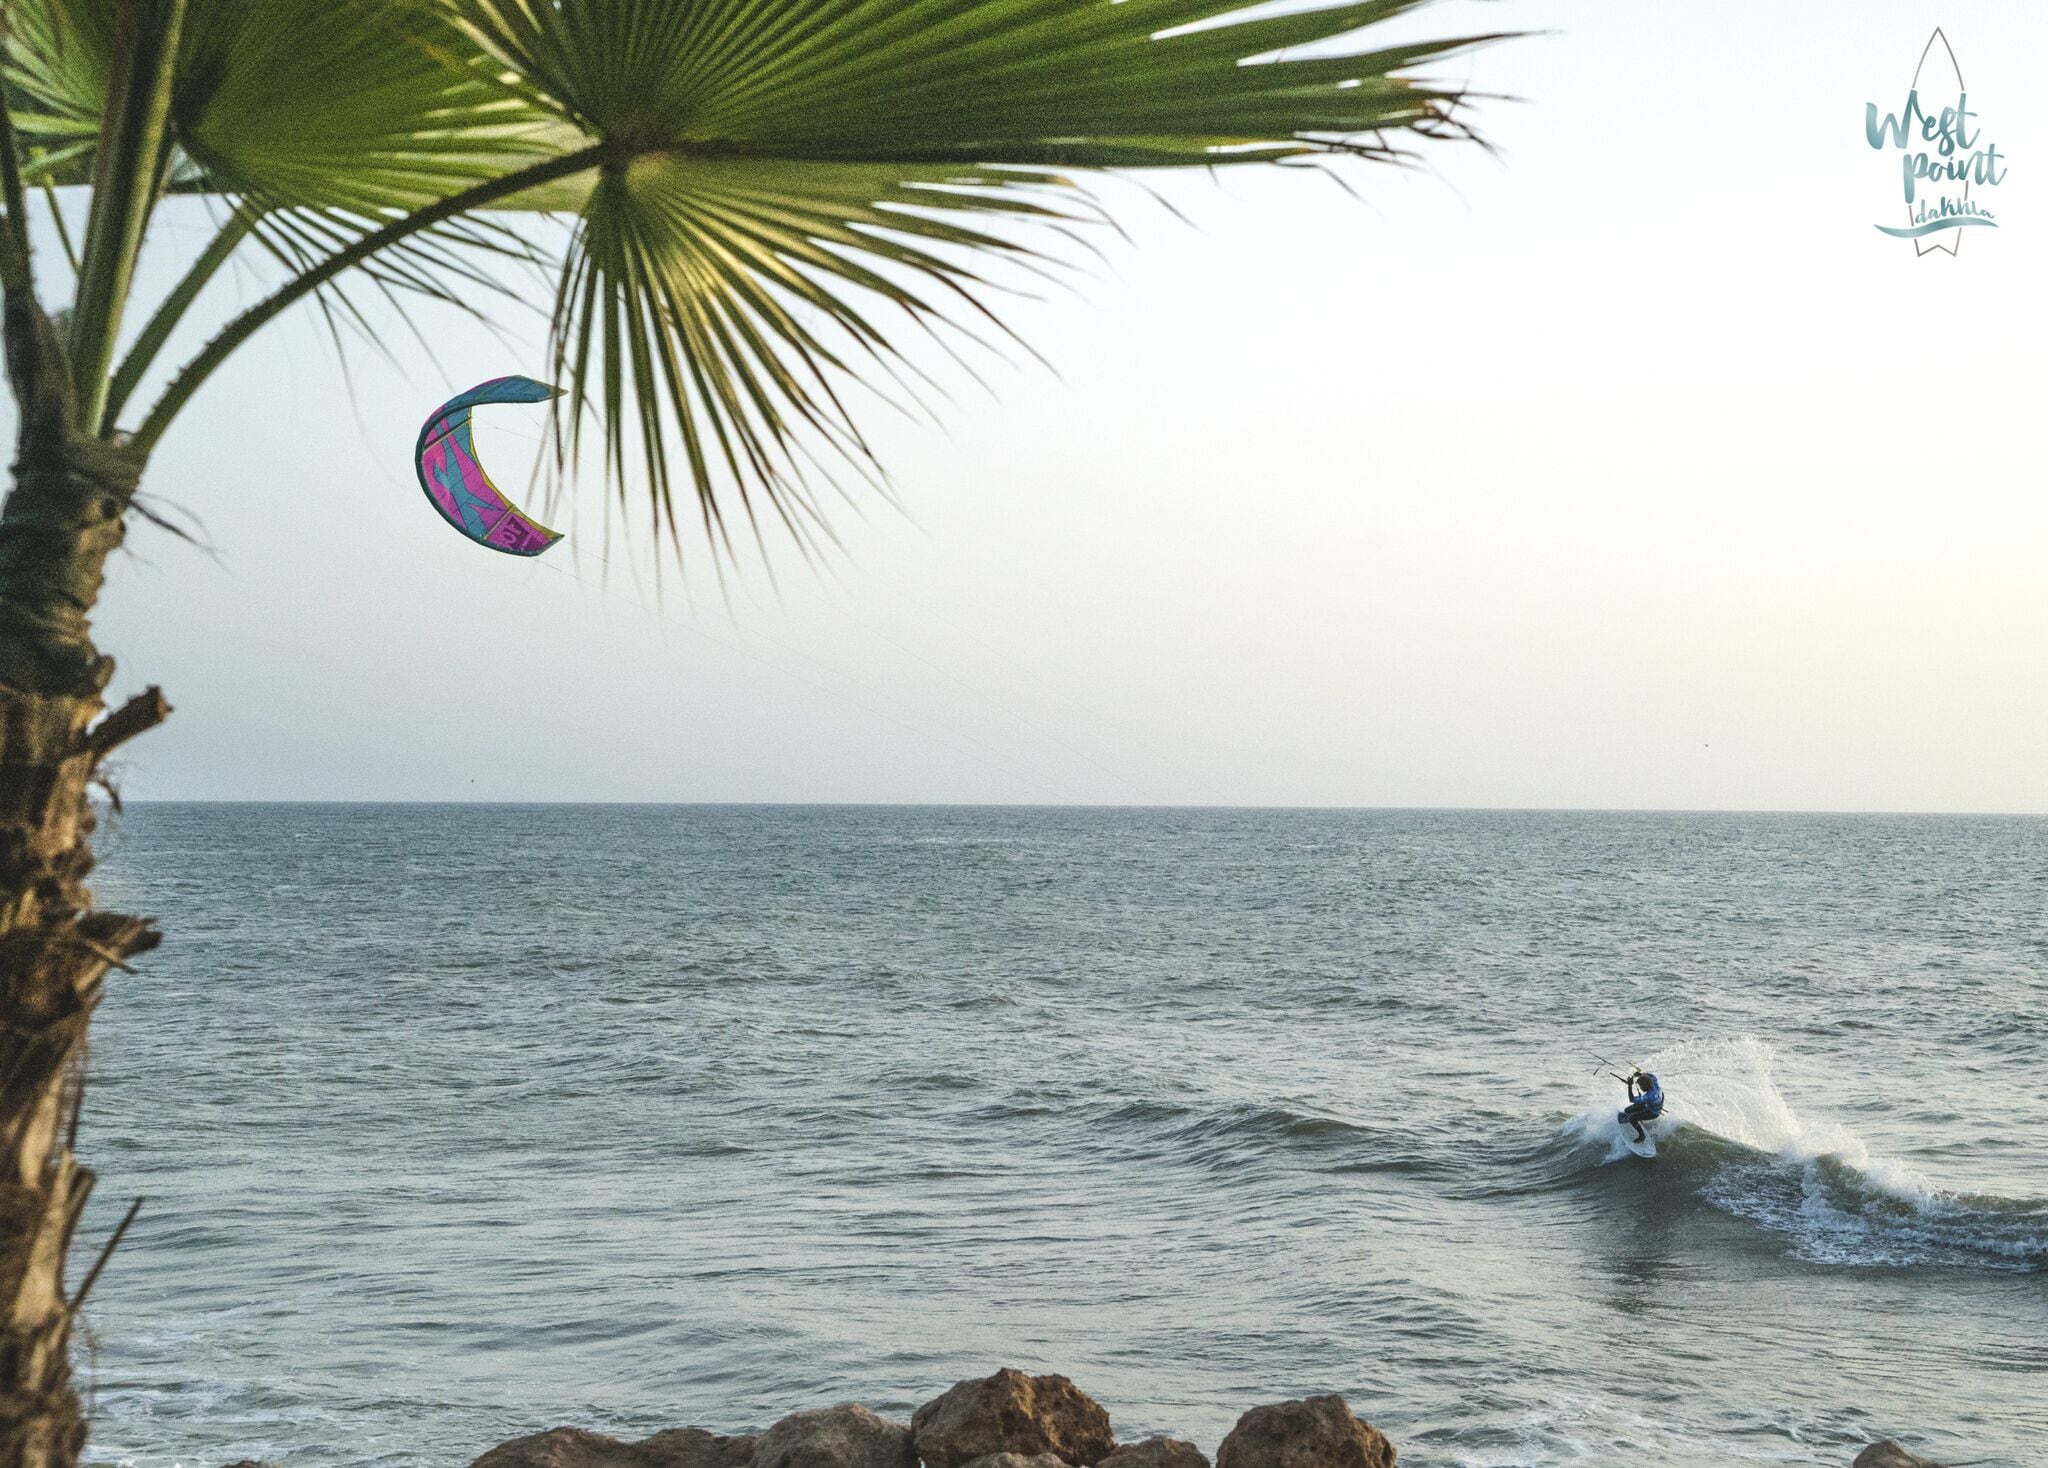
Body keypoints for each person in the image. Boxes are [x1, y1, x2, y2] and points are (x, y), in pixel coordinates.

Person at [1617, 1069, 1664, 1143]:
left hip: (1652, 1113)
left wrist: (1630, 1086)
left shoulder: (1649, 1096)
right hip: (1648, 1105)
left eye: (1640, 1086)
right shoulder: (1654, 1082)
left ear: (1645, 1086)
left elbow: (1632, 1099)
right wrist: (1641, 1074)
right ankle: (1640, 1120)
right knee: (1627, 1110)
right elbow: (1651, 1075)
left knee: (1632, 1118)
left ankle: (1642, 1135)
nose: (1640, 1088)